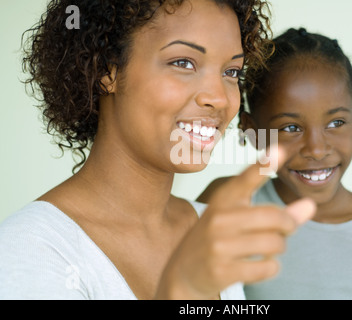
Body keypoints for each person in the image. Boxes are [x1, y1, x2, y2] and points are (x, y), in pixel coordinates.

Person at [0, 1, 317, 300]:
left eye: (231, 72)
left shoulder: (211, 228)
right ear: (106, 70)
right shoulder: (31, 248)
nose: (220, 99)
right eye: (183, 63)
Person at [197, 27, 352, 299]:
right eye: (291, 127)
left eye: (336, 123)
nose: (317, 149)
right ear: (252, 131)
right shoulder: (229, 203)